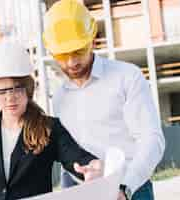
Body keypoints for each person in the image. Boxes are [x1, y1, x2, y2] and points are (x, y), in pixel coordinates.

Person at [42, 0, 166, 200]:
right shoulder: (59, 97)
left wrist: (125, 187)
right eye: (63, 55)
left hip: (131, 190)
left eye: (78, 51)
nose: (72, 62)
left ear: (92, 39)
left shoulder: (127, 77)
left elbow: (152, 139)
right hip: (83, 193)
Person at [0, 40, 103, 200]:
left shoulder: (49, 128)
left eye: (16, 89)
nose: (10, 98)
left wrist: (91, 166)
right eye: (2, 91)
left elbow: (76, 157)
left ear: (28, 88)